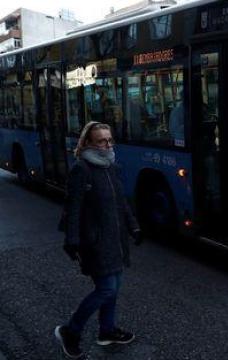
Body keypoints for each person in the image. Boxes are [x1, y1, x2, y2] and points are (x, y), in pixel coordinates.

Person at [55, 121, 142, 359]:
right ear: (87, 143)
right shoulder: (82, 169)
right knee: (106, 289)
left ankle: (107, 331)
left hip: (115, 239)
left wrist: (134, 227)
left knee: (113, 290)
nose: (107, 145)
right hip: (95, 242)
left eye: (110, 140)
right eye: (101, 141)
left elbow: (120, 201)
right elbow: (73, 209)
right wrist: (72, 240)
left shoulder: (110, 166)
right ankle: (70, 331)